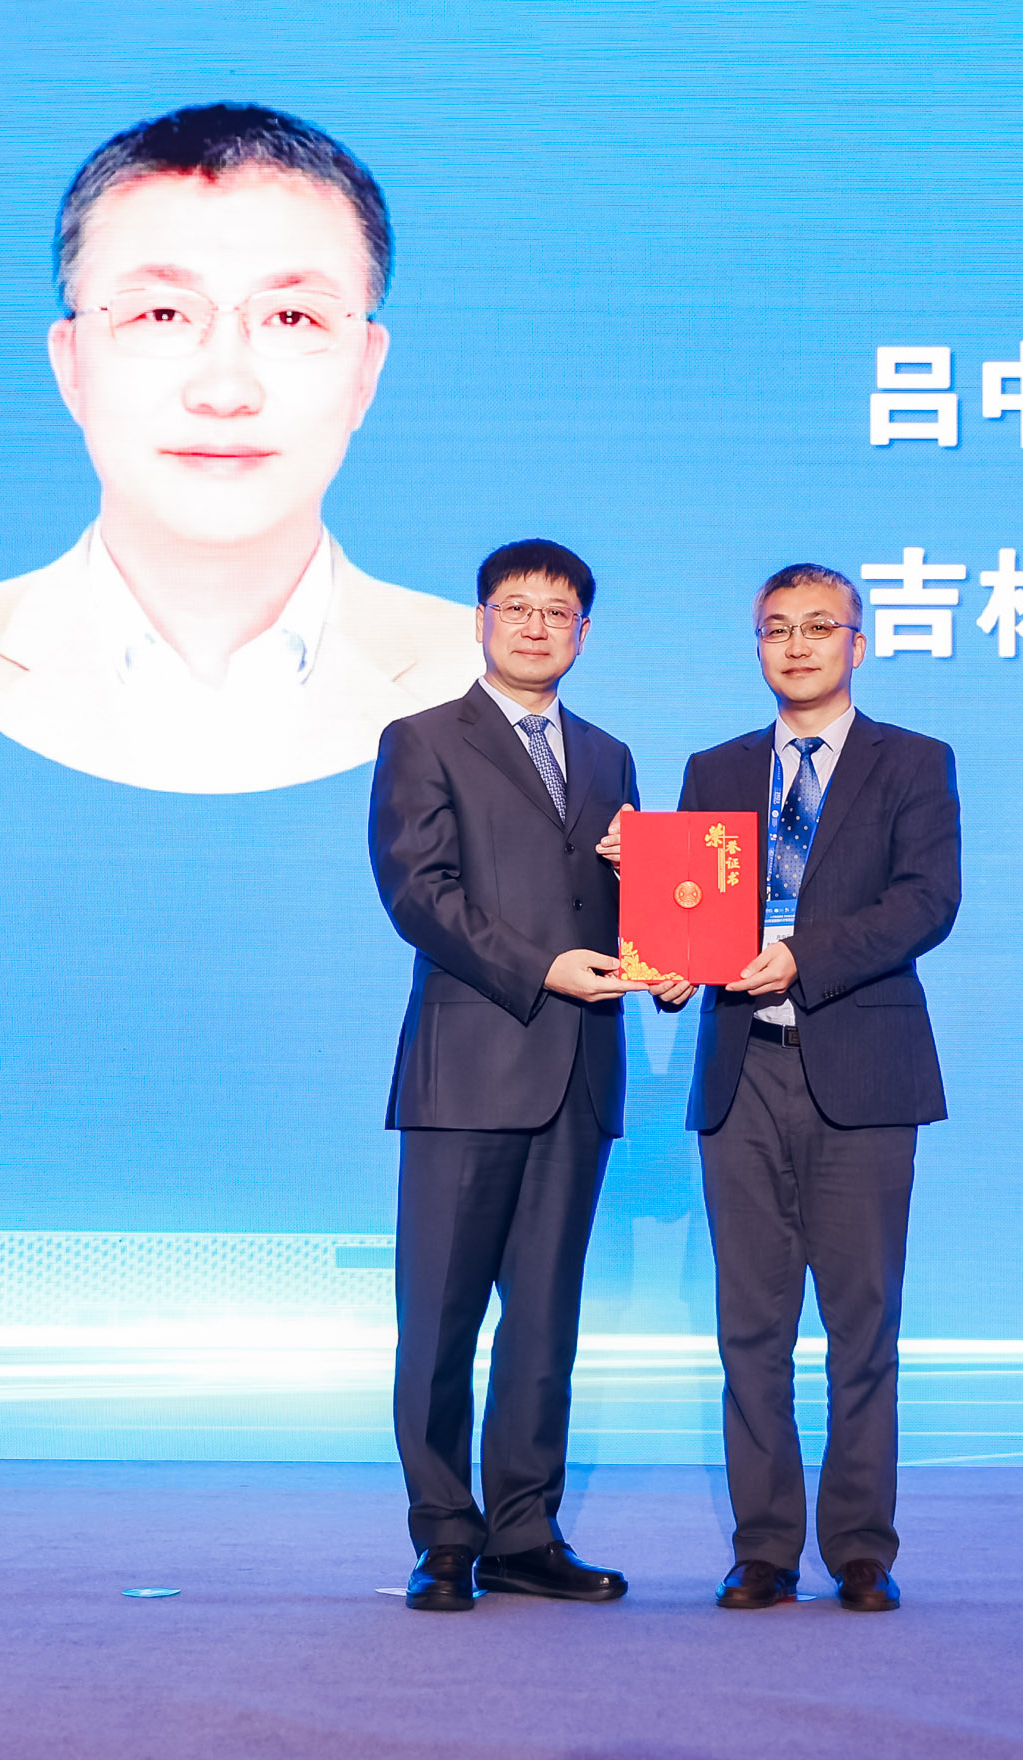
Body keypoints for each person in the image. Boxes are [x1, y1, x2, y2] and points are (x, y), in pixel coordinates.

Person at [0, 103, 478, 795]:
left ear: (367, 371)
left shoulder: (494, 682)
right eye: (162, 313)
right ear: (70, 365)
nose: (225, 391)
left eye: (292, 317)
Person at [652, 563, 960, 1614]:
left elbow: (927, 901)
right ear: (757, 647)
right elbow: (689, 912)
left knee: (862, 1328)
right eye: (775, 629)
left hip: (862, 1073)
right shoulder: (716, 768)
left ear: (856, 645)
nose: (796, 645)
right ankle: (765, 1550)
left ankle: (862, 1550)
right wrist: (668, 963)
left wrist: (803, 956)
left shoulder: (913, 761)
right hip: (740, 1071)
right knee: (751, 1329)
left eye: (818, 627)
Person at [368, 539, 652, 1613]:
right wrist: (540, 967)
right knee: (439, 1322)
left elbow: (632, 909)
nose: (538, 626)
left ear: (586, 631)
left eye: (558, 611)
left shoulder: (611, 755)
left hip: (577, 1072)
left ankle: (525, 1533)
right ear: (480, 620)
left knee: (543, 1325)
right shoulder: (422, 739)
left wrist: (666, 947)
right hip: (468, 1071)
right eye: (517, 606)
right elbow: (419, 893)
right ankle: (445, 1535)